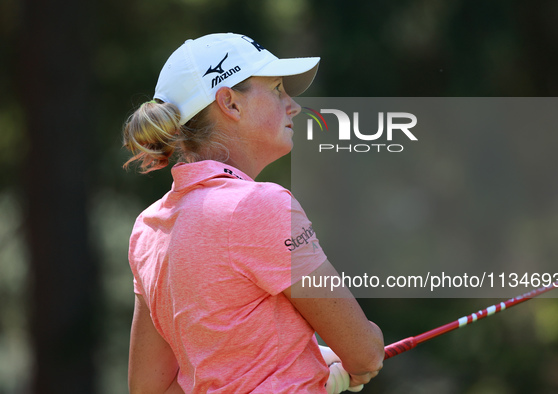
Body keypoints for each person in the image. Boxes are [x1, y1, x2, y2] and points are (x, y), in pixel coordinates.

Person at [123, 33, 384, 393]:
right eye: (277, 89)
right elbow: (365, 353)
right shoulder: (261, 205)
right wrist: (351, 354)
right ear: (230, 103)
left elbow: (149, 389)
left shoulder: (148, 230)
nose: (292, 105)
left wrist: (302, 364)